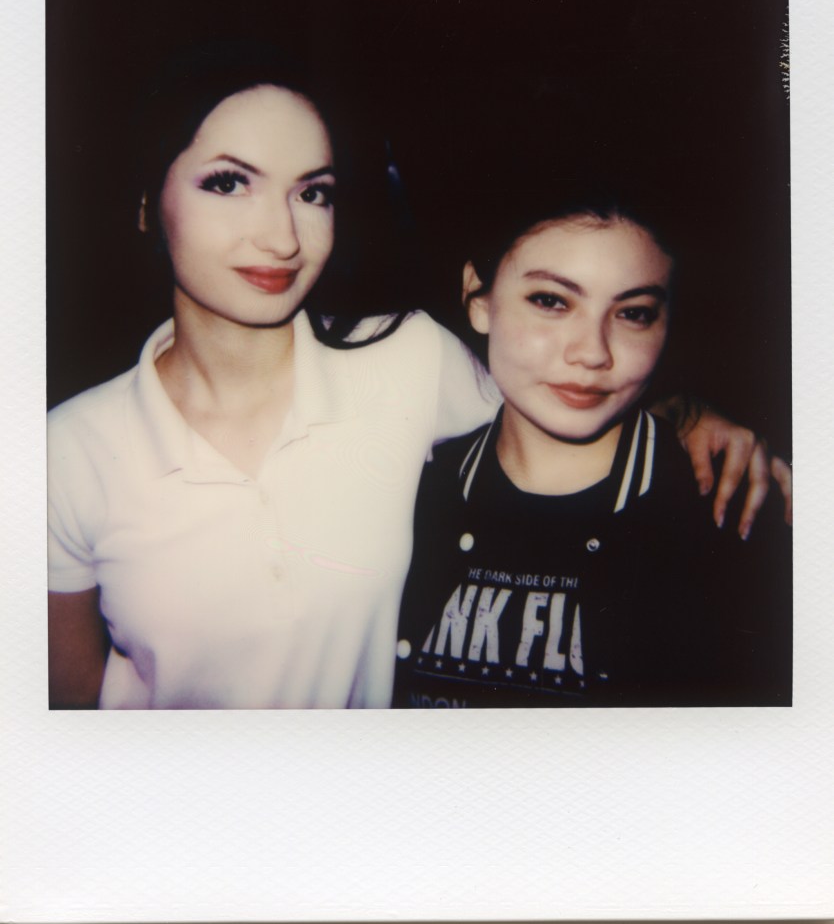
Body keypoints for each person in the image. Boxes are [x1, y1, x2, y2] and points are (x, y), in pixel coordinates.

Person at [48, 43, 787, 710]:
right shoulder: (66, 452)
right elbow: (69, 705)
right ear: (145, 204)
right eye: (228, 182)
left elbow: (559, 390)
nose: (280, 236)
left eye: (313, 192)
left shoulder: (406, 358)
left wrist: (689, 415)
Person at [393, 193, 791, 708]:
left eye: (634, 313)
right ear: (479, 298)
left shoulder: (731, 511)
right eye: (551, 301)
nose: (593, 352)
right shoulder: (408, 493)